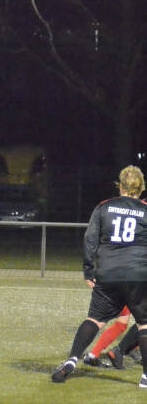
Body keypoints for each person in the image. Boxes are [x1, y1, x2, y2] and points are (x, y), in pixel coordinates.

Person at [51, 165, 147, 388]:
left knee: (95, 319)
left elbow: (90, 239)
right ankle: (145, 378)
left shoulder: (104, 207)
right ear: (141, 188)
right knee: (144, 324)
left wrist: (88, 269)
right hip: (138, 274)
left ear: (120, 186)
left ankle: (72, 360)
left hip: (108, 273)